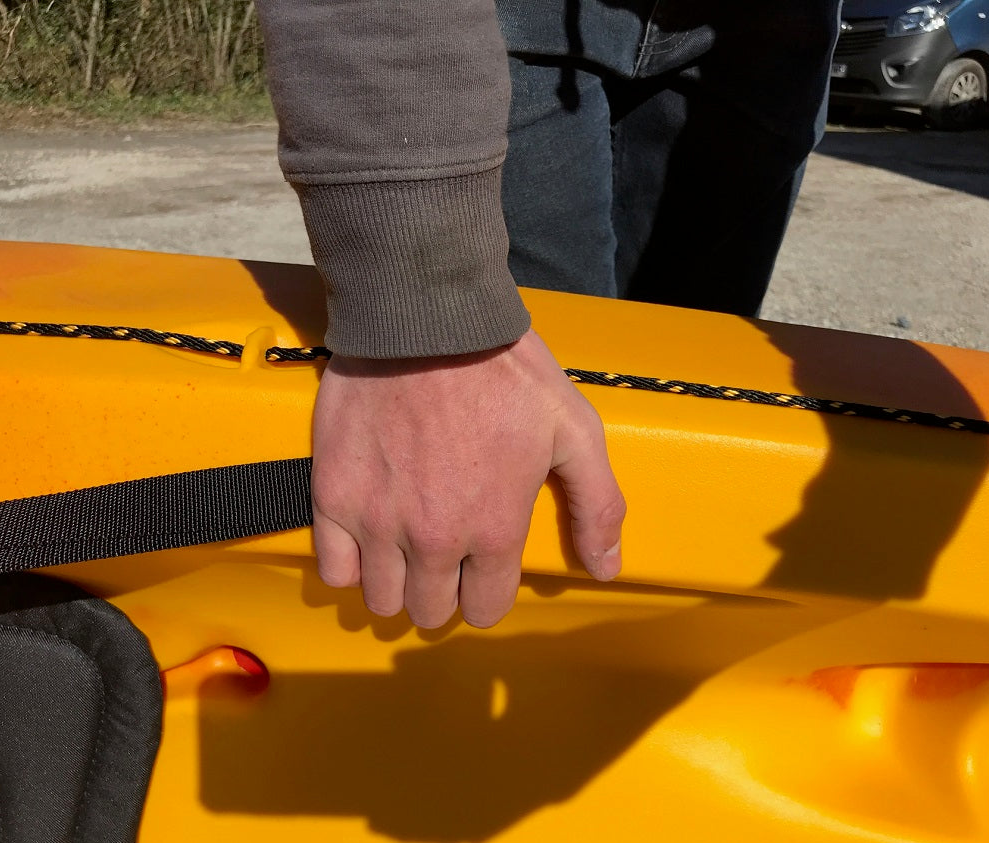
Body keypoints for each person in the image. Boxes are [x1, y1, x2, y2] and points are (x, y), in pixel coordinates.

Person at [254, 0, 839, 630]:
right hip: (509, 15)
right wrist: (424, 313)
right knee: (502, 509)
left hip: (778, 34)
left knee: (675, 444)